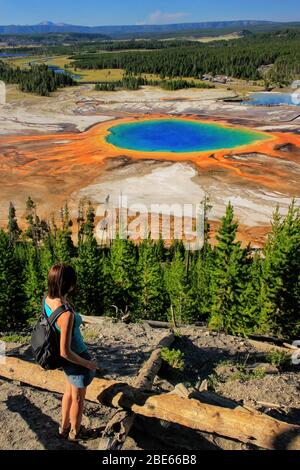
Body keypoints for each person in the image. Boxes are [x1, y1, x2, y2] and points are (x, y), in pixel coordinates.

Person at [44, 263, 97, 441]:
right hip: (76, 360)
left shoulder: (48, 300)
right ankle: (76, 432)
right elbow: (65, 351)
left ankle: (64, 427)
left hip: (69, 364)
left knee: (68, 393)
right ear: (68, 285)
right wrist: (88, 363)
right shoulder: (66, 315)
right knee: (78, 400)